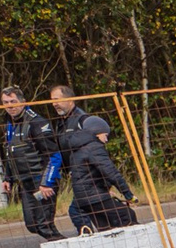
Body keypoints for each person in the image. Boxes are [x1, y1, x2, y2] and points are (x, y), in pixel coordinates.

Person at [45, 94, 134, 234]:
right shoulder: (93, 147)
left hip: (85, 195)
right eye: (105, 135)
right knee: (127, 215)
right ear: (97, 132)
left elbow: (94, 172)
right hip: (94, 195)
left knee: (95, 219)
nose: (106, 140)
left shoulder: (77, 147)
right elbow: (110, 172)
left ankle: (87, 233)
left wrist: (106, 188)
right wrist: (128, 194)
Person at [0, 89, 61, 241]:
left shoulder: (36, 122)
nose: (10, 106)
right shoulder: (9, 122)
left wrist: (46, 182)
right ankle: (60, 243)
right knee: (32, 225)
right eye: (6, 102)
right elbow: (11, 153)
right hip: (25, 182)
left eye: (13, 102)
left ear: (23, 102)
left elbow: (54, 155)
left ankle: (63, 245)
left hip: (42, 180)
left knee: (43, 225)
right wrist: (8, 178)